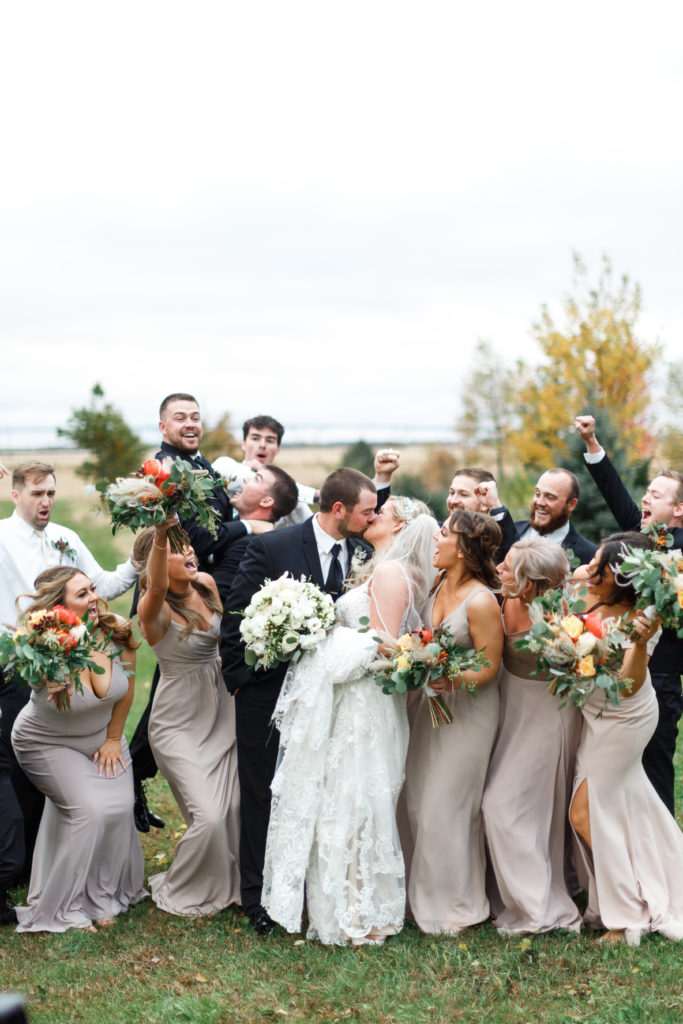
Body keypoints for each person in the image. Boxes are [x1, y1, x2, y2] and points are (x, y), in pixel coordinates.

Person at [262, 498, 436, 945]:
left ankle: (359, 915)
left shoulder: (391, 573)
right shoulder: (381, 566)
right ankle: (343, 908)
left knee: (356, 803)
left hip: (365, 704)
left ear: (399, 526)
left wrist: (318, 638)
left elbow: (382, 646)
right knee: (346, 800)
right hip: (355, 701)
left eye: (384, 510)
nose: (373, 512)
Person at [220, 467, 380, 935]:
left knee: (314, 793)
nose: (372, 520)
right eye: (366, 512)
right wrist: (241, 681)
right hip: (266, 696)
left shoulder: (364, 554)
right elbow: (236, 615)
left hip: (330, 699)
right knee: (262, 796)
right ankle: (257, 901)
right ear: (339, 510)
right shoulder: (272, 547)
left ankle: (303, 892)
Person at [129, 393, 272, 831]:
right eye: (180, 418)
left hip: (199, 588)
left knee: (185, 682)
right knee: (172, 686)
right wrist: (247, 527)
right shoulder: (164, 470)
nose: (190, 423)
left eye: (195, 416)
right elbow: (194, 538)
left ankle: (138, 778)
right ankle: (133, 781)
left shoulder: (202, 463)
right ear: (162, 427)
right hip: (175, 588)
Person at [0, 460, 138, 905]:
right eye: (37, 493)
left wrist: (138, 561)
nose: (46, 502)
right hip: (20, 665)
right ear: (16, 494)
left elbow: (102, 585)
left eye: (51, 493)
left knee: (65, 767)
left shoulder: (66, 538)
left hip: (76, 663)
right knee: (22, 769)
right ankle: (18, 867)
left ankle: (57, 860)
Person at [11, 567, 146, 932]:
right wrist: (49, 671)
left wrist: (115, 739)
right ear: (59, 606)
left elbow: (127, 690)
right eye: (81, 594)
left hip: (102, 739)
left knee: (118, 808)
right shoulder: (42, 642)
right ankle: (65, 907)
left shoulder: (115, 630)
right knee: (88, 810)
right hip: (46, 741)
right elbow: (34, 677)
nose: (92, 599)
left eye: (92, 590)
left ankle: (100, 896)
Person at [567, 533, 683, 945]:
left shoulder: (643, 619)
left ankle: (627, 915)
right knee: (631, 803)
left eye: (599, 566)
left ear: (621, 578)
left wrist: (635, 643)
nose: (589, 569)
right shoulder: (586, 586)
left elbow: (629, 685)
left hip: (625, 714)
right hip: (593, 711)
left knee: (584, 810)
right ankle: (662, 878)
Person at [400, 509, 504, 933]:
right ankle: (420, 899)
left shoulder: (480, 600)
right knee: (419, 801)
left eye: (443, 533)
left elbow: (489, 666)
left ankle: (458, 908)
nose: (435, 540)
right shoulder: (439, 582)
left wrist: (447, 676)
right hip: (430, 707)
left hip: (468, 713)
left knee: (448, 806)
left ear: (463, 547)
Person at [574, 413, 683, 814]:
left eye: (657, 494)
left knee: (655, 774)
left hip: (663, 677)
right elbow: (615, 494)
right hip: (615, 671)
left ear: (680, 509)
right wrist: (592, 444)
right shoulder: (641, 538)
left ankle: (665, 860)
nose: (646, 498)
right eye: (648, 492)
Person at [137, 516, 240, 917]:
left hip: (221, 710)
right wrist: (162, 534)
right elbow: (159, 584)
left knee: (232, 806)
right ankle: (184, 885)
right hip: (178, 722)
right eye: (178, 549)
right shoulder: (155, 609)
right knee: (209, 816)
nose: (191, 551)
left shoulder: (207, 585)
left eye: (188, 545)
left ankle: (229, 881)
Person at [482, 537, 582, 934]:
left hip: (546, 715)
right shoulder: (501, 597)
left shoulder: (562, 617)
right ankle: (508, 892)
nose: (499, 570)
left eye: (507, 567)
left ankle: (539, 907)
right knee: (523, 810)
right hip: (507, 711)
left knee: (503, 807)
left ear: (527, 583)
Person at [213, 414, 401, 529]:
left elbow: (316, 527)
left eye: (270, 440)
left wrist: (379, 480)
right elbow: (239, 477)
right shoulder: (225, 465)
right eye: (255, 438)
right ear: (243, 443)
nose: (262, 445)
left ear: (278, 449)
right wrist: (319, 495)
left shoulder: (292, 499)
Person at [495, 468, 597, 566]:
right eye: (537, 494)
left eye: (550, 497)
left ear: (571, 504)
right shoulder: (508, 532)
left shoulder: (590, 555)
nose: (540, 502)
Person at [221, 465, 299, 590]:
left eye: (256, 479)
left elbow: (217, 593)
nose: (246, 479)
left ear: (266, 501)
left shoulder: (248, 545)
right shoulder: (233, 524)